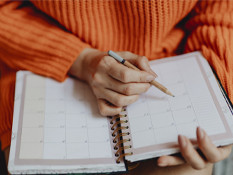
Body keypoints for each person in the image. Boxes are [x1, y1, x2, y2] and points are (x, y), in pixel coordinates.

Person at [0, 0, 232, 174]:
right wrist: (81, 59)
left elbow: (221, 14)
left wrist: (221, 106)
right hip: (41, 62)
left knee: (190, 166)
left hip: (170, 60)